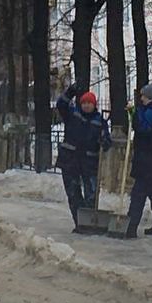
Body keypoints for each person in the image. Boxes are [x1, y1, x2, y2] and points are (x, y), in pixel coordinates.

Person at [55, 84, 112, 231]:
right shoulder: (73, 115)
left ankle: (90, 222)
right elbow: (61, 104)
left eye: (90, 103)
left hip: (89, 163)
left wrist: (104, 141)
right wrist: (70, 92)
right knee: (73, 194)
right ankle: (80, 223)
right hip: (70, 161)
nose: (87, 106)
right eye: (84, 103)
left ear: (94, 105)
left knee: (91, 194)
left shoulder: (100, 122)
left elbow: (107, 141)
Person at [125, 82, 152, 237]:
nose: (141, 98)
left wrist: (134, 114)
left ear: (149, 96)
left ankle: (130, 227)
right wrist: (134, 113)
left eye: (143, 95)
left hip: (149, 160)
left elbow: (143, 128)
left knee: (138, 194)